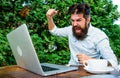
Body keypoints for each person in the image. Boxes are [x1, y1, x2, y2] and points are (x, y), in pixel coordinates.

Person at [46, 3, 118, 67]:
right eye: (72, 20)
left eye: (78, 20)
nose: (74, 24)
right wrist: (49, 18)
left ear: (87, 20)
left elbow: (114, 62)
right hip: (70, 70)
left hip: (90, 73)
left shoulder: (99, 36)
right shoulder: (70, 30)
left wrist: (90, 60)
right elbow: (54, 31)